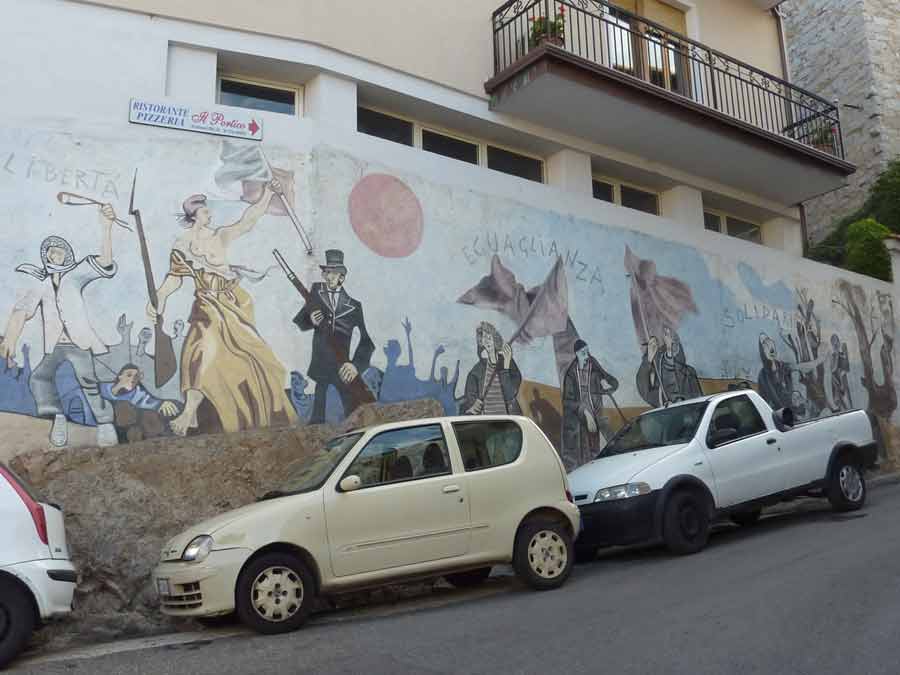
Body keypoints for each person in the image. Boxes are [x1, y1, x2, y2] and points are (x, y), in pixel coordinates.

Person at [147, 181, 297, 435]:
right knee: (199, 351)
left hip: (232, 303)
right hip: (206, 304)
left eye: (208, 211)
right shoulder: (182, 245)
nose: (210, 214)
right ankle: (189, 412)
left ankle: (256, 410)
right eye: (205, 211)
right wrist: (159, 298)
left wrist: (268, 194)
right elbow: (174, 278)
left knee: (254, 357)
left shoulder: (219, 237)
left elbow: (247, 221)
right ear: (193, 216)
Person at [0, 204, 119, 447]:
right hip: (55, 345)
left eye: (60, 252)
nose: (56, 257)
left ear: (67, 254)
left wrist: (106, 227)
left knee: (88, 381)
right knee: (38, 378)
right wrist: (10, 339)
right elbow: (22, 311)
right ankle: (57, 417)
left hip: (78, 342)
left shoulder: (76, 274)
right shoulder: (41, 284)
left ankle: (105, 424)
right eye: (51, 254)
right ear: (46, 257)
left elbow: (105, 262)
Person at [294, 249, 375, 424]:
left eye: (333, 273)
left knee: (354, 415)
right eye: (326, 272)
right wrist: (310, 320)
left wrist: (355, 366)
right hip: (321, 368)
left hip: (343, 369)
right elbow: (300, 322)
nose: (328, 276)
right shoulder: (316, 294)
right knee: (317, 419)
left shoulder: (354, 306)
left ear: (342, 277)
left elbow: (367, 342)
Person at [561, 339, 619, 469]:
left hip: (596, 412)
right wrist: (584, 411)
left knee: (598, 447)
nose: (586, 354)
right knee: (584, 453)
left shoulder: (593, 365)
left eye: (587, 351)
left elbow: (611, 380)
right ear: (576, 353)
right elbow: (567, 402)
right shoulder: (571, 373)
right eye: (583, 352)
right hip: (579, 417)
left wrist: (607, 385)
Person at [461, 322, 522, 415]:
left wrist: (506, 366)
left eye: (489, 338)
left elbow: (510, 395)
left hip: (508, 421)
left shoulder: (509, 363)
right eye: (484, 338)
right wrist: (474, 405)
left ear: (495, 340)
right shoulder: (476, 371)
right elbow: (470, 402)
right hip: (487, 422)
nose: (487, 341)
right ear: (481, 343)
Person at [636, 325, 701, 407]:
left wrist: (669, 350)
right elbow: (644, 389)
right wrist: (648, 359)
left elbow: (672, 369)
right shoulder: (655, 379)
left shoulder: (689, 373)